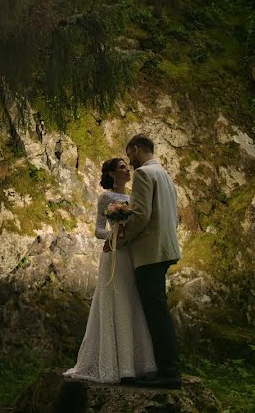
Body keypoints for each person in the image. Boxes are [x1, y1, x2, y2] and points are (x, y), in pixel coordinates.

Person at [63, 157, 157, 384]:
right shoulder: (106, 197)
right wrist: (113, 235)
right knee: (114, 300)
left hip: (132, 254)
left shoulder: (134, 196)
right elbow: (97, 230)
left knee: (132, 300)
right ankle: (117, 366)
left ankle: (135, 364)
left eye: (127, 167)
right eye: (122, 167)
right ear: (113, 174)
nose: (127, 170)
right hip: (113, 254)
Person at [120, 134, 183, 389]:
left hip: (149, 252)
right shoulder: (165, 176)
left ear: (136, 149)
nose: (129, 160)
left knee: (156, 314)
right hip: (165, 249)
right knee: (158, 311)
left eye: (129, 154)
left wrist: (122, 239)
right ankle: (165, 368)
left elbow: (141, 215)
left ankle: (169, 372)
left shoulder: (144, 175)